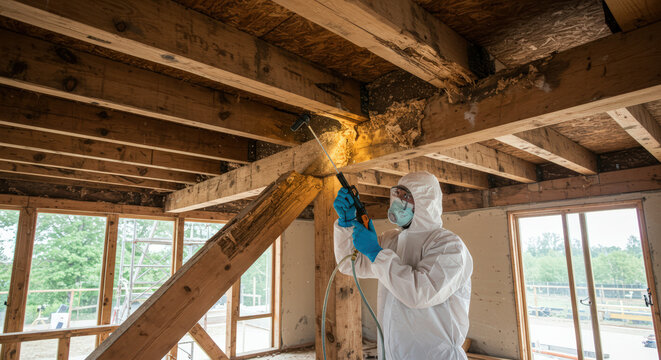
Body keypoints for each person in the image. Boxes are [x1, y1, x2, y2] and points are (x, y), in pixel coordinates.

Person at [333, 171, 473, 359]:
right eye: (397, 195)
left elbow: (419, 293)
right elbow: (350, 264)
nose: (398, 202)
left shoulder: (449, 246)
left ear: (425, 201)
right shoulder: (392, 240)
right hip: (393, 353)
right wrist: (346, 224)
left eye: (406, 196)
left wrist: (377, 253)